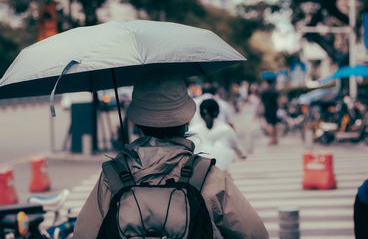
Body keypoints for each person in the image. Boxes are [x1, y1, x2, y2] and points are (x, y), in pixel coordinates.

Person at [74, 75, 268, 238]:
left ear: (138, 124)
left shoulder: (112, 177)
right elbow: (255, 233)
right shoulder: (206, 175)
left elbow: (83, 233)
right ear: (185, 122)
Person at [190, 99, 247, 171]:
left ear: (201, 114)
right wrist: (242, 154)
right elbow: (237, 146)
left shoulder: (193, 130)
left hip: (199, 171)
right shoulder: (226, 129)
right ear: (217, 113)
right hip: (220, 171)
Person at [260, 78, 280, 145]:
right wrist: (280, 109)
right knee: (274, 125)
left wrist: (261, 110)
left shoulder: (264, 92)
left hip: (267, 110)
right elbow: (279, 101)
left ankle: (271, 139)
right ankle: (275, 139)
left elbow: (261, 103)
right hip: (275, 110)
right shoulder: (275, 92)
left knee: (270, 125)